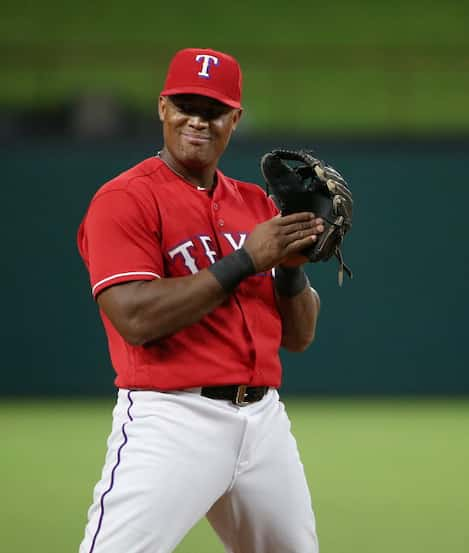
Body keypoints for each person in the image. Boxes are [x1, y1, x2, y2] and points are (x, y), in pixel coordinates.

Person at [77, 48, 325, 553]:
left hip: (263, 423)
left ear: (235, 118)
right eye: (186, 104)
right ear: (163, 107)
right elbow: (135, 317)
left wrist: (292, 270)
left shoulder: (256, 204)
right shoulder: (125, 199)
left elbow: (298, 337)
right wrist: (246, 261)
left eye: (212, 110)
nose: (197, 120)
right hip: (173, 419)